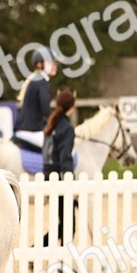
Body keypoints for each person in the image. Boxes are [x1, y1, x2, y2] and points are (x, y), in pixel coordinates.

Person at [42, 88, 78, 245]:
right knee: (69, 225)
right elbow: (65, 158)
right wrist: (70, 185)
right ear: (72, 106)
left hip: (49, 177)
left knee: (65, 223)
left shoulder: (52, 124)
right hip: (61, 180)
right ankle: (64, 261)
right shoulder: (67, 128)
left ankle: (39, 249)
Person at [13, 48, 57, 152]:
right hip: (31, 132)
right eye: (51, 63)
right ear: (39, 64)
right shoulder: (41, 82)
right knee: (57, 147)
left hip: (26, 130)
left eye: (55, 63)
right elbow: (46, 110)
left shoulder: (36, 79)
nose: (55, 66)